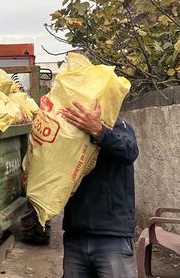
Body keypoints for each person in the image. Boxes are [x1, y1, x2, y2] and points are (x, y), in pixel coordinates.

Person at [61, 100, 139, 278]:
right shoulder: (67, 131)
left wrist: (98, 131)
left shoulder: (119, 125)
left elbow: (130, 151)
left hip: (112, 237)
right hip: (75, 235)